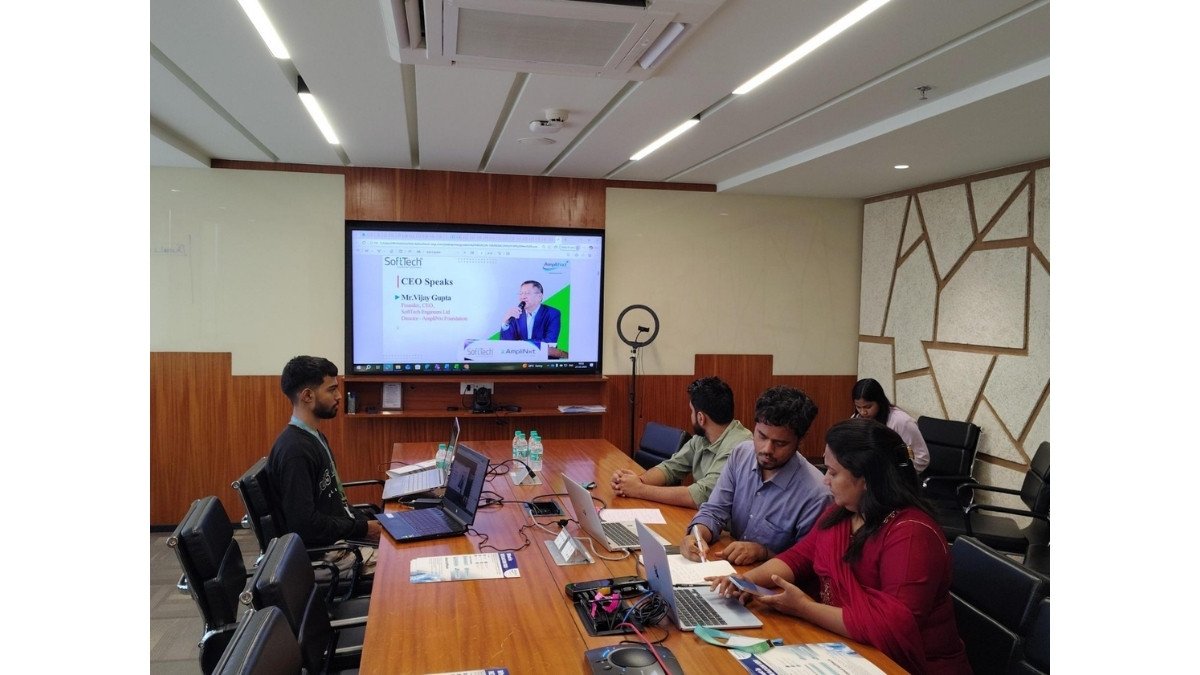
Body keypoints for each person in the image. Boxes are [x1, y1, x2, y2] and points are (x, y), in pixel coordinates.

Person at [710, 418, 971, 674]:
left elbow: (892, 627)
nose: (826, 480)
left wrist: (804, 609)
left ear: (866, 479)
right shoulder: (843, 514)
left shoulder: (911, 533)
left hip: (906, 664)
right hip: (848, 650)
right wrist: (746, 581)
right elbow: (799, 557)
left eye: (833, 472)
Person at [682, 385, 830, 565]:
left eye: (780, 443)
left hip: (772, 578)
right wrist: (696, 534)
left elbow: (808, 564)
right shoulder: (741, 455)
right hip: (730, 569)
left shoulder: (816, 495)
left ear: (799, 441)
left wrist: (763, 552)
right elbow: (714, 511)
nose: (767, 449)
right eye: (761, 436)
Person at [267, 356, 381, 551]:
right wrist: (362, 529)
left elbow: (334, 503)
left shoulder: (313, 436)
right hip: (328, 553)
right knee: (405, 560)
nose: (339, 396)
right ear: (307, 396)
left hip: (342, 539)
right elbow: (304, 526)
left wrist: (363, 523)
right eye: (331, 389)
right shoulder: (295, 451)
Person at [610, 376, 751, 508]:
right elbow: (670, 468)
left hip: (727, 525)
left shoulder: (739, 446)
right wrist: (633, 482)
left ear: (701, 418)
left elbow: (700, 495)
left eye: (691, 411)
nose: (691, 416)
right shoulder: (702, 438)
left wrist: (640, 490)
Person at [851, 378, 930, 473]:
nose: (863, 412)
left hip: (896, 476)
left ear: (879, 402)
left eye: (868, 407)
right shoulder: (857, 418)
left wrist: (893, 473)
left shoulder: (902, 422)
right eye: (858, 407)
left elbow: (921, 459)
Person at [499, 280, 561, 345]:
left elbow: (550, 342)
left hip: (543, 352)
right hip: (519, 352)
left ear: (539, 296)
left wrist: (521, 343)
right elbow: (506, 344)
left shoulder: (552, 313)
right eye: (521, 293)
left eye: (527, 293)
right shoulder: (516, 313)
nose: (523, 297)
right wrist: (505, 323)